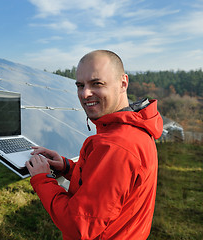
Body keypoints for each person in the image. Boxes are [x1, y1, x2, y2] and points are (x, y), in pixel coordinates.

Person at [25, 50, 163, 240]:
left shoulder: (116, 146)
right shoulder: (132, 129)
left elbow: (78, 225)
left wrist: (42, 179)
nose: (85, 93)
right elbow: (109, 187)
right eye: (80, 85)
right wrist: (66, 167)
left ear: (123, 83)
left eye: (97, 83)